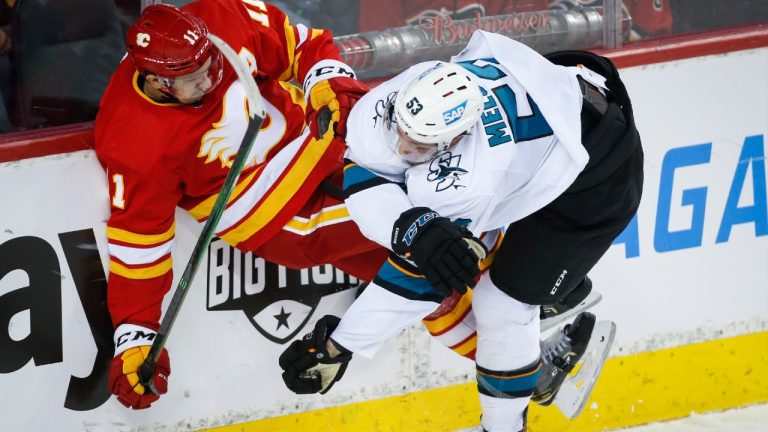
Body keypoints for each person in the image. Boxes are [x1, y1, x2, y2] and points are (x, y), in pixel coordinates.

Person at [278, 30, 643, 432]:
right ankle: (563, 291)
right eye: (400, 131)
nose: (402, 149)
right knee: (446, 239)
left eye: (420, 145)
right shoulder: (390, 104)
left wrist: (337, 345)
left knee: (501, 304)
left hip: (596, 169)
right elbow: (365, 177)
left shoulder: (468, 177)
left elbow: (418, 281)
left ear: (458, 136)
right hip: (558, 98)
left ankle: (504, 427)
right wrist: (411, 227)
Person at [94, 0, 387, 410]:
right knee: (420, 230)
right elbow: (140, 246)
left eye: (214, 63)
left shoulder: (222, 17)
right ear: (160, 83)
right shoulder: (133, 140)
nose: (214, 78)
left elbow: (303, 46)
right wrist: (136, 335)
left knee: (427, 272)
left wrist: (326, 83)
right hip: (262, 208)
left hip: (314, 140)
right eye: (197, 78)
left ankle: (501, 371)